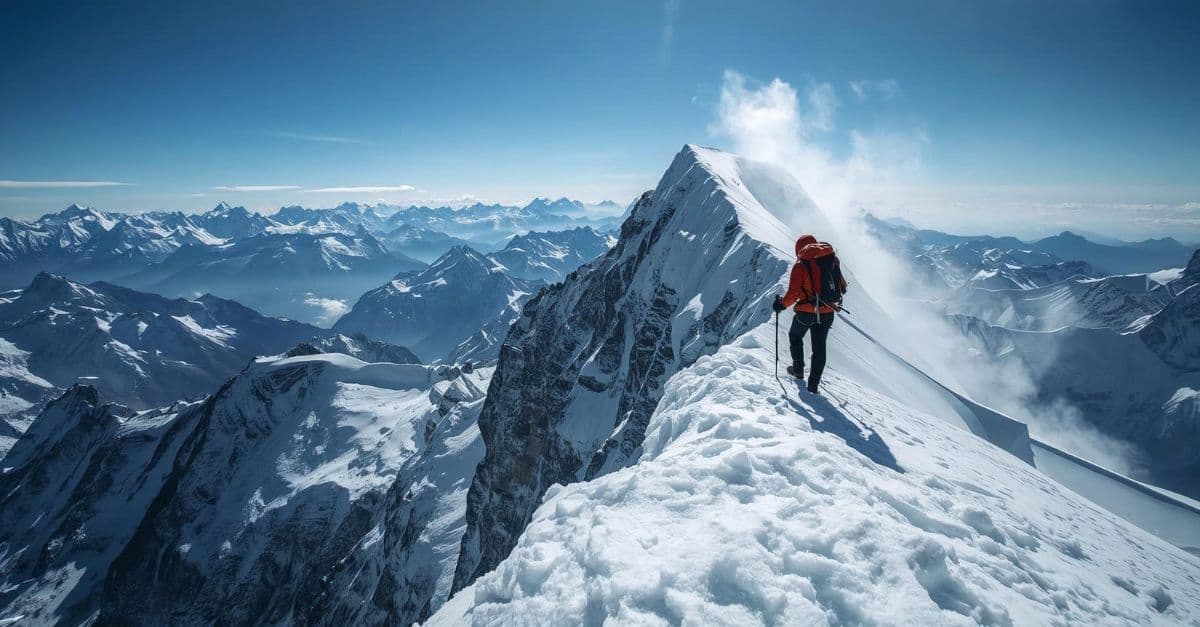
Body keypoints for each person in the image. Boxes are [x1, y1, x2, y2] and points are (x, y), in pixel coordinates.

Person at [772, 234, 848, 394]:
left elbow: (793, 294)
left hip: (806, 312)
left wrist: (781, 305)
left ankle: (798, 370)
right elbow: (841, 283)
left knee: (795, 335)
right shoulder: (830, 260)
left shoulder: (800, 266)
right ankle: (813, 385)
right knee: (819, 347)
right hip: (828, 310)